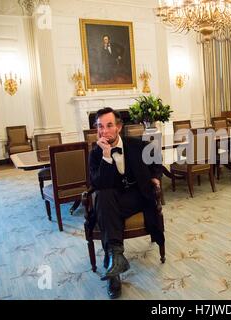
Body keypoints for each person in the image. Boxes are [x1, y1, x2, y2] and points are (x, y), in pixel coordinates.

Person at [89, 107, 164, 299]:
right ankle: (116, 258)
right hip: (113, 199)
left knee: (105, 210)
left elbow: (156, 160)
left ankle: (112, 259)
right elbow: (99, 184)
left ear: (119, 127)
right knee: (104, 197)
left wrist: (155, 177)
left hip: (137, 196)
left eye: (109, 125)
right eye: (99, 126)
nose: (103, 131)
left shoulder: (137, 145)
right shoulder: (96, 154)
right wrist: (106, 154)